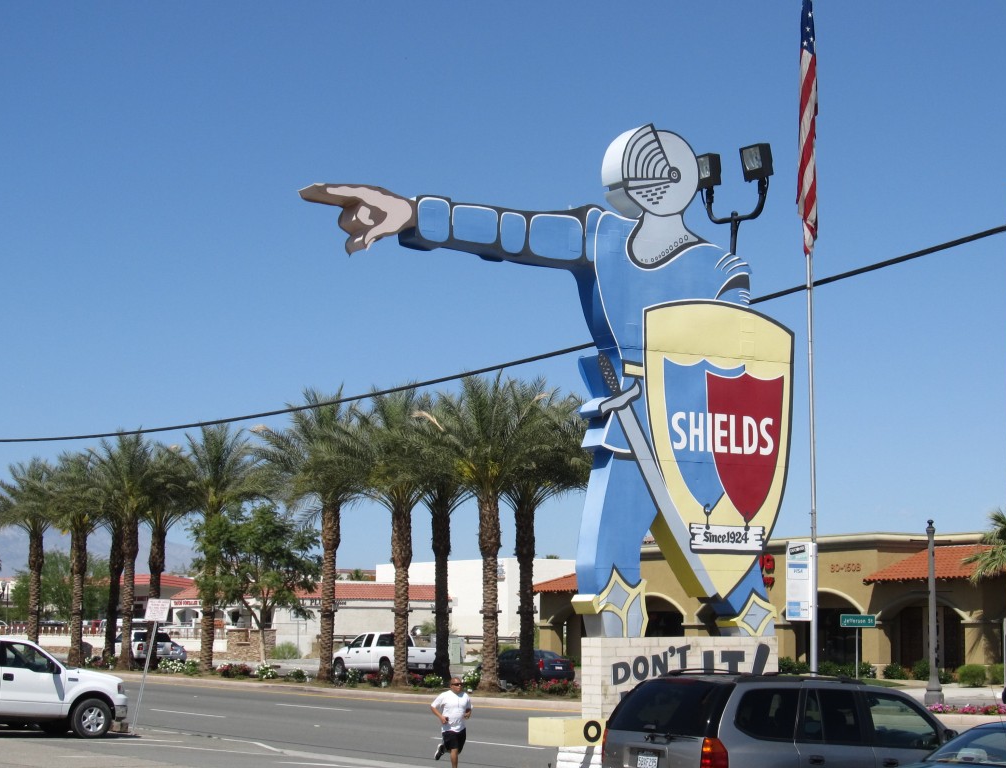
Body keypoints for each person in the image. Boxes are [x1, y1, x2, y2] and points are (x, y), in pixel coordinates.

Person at [301, 125, 777, 638]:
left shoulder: (721, 268)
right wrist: (414, 213)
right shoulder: (601, 234)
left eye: (664, 172)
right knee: (610, 570)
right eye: (644, 171)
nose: (654, 182)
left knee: (729, 564)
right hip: (630, 428)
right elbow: (512, 232)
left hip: (699, 437)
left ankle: (753, 655)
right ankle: (618, 686)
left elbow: (741, 356)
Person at [430, 677, 472, 765]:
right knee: (454, 750)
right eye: (456, 684)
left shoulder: (465, 696)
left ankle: (443, 748)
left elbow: (469, 708)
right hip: (448, 728)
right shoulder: (444, 695)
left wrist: (468, 713)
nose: (459, 686)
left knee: (457, 751)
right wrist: (441, 717)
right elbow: (433, 706)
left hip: (461, 727)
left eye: (461, 684)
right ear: (451, 686)